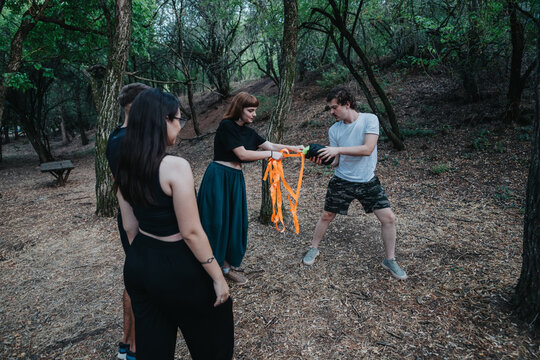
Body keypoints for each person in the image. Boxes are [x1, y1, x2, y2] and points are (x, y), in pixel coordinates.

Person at [115, 88, 234, 359]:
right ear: (163, 120)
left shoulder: (124, 164)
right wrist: (218, 277)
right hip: (179, 266)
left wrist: (146, 262)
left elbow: (130, 226)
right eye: (178, 120)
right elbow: (191, 232)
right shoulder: (174, 166)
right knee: (213, 339)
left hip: (139, 262)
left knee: (154, 346)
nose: (179, 128)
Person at [197, 92, 303, 284]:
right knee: (216, 223)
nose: (254, 114)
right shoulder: (226, 126)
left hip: (235, 179)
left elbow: (270, 145)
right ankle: (209, 270)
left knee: (234, 222)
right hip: (219, 178)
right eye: (250, 110)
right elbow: (243, 155)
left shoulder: (249, 132)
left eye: (255, 110)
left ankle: (226, 268)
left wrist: (294, 148)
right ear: (239, 109)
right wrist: (270, 154)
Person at [302, 86, 407, 280]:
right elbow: (335, 161)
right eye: (330, 108)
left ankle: (390, 260)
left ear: (347, 104)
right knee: (326, 215)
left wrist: (338, 150)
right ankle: (313, 248)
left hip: (367, 180)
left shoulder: (369, 119)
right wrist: (321, 159)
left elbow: (367, 149)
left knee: (388, 218)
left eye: (334, 107)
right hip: (342, 180)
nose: (331, 112)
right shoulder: (334, 129)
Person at [106, 82, 150, 360]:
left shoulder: (117, 136)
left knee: (133, 282)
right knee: (139, 284)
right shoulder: (125, 141)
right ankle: (134, 349)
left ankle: (126, 343)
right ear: (135, 108)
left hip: (134, 218)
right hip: (136, 220)